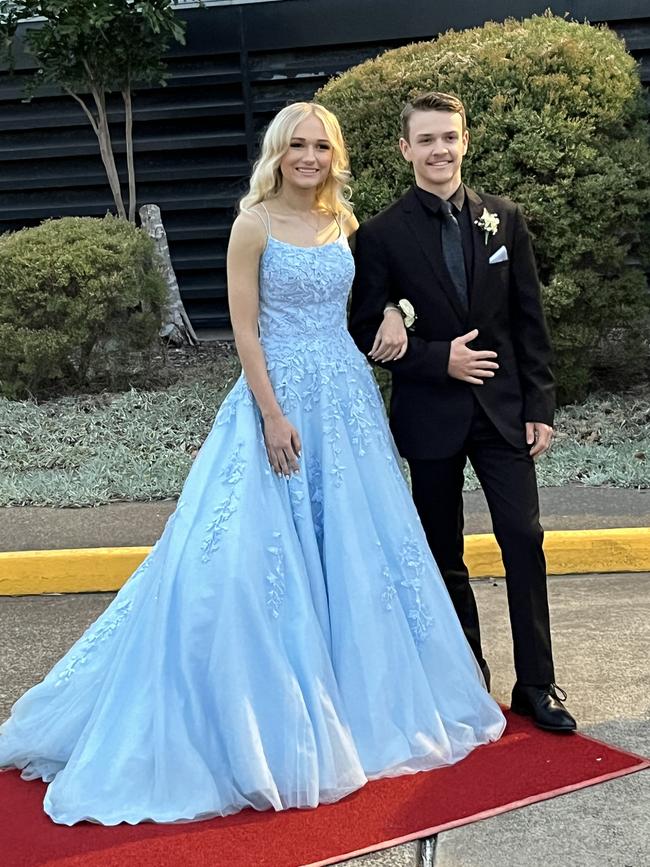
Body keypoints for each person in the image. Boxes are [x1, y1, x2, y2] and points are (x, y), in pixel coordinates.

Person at [0, 102, 504, 827]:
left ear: (336, 155)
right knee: (246, 561)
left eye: (320, 146)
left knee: (358, 555)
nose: (308, 157)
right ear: (278, 152)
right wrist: (270, 412)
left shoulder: (348, 225)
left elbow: (379, 294)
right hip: (278, 399)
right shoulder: (253, 224)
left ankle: (359, 704)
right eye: (296, 145)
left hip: (346, 403)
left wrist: (397, 310)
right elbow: (242, 329)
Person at [349, 91, 577, 733]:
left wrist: (540, 404)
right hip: (432, 415)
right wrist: (432, 358)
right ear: (405, 150)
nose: (438, 150)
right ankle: (466, 679)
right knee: (441, 549)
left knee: (524, 542)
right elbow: (367, 325)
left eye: (448, 137)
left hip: (505, 413)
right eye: (425, 140)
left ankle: (537, 683)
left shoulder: (504, 220)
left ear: (465, 141)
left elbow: (528, 319)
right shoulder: (382, 234)